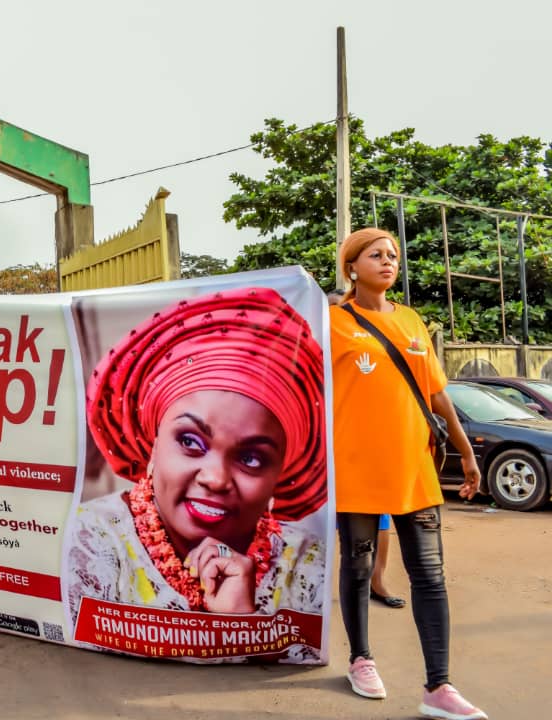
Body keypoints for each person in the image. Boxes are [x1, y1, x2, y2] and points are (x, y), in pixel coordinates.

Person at [66, 288, 328, 650]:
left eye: (251, 459)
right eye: (190, 441)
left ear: (279, 475)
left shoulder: (307, 564)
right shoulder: (91, 539)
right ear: (153, 443)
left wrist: (240, 619)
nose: (215, 478)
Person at [331, 227, 486, 719]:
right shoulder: (331, 322)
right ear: (352, 266)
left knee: (430, 576)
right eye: (376, 254)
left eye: (394, 255)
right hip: (354, 468)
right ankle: (361, 659)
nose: (388, 261)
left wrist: (466, 452)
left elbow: (437, 394)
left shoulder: (414, 321)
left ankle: (438, 687)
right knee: (357, 569)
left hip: (414, 467)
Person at [328, 289, 403, 609]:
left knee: (380, 520)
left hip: (366, 450)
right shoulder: (318, 349)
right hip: (328, 451)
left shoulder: (366, 348)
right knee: (321, 525)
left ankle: (377, 582)